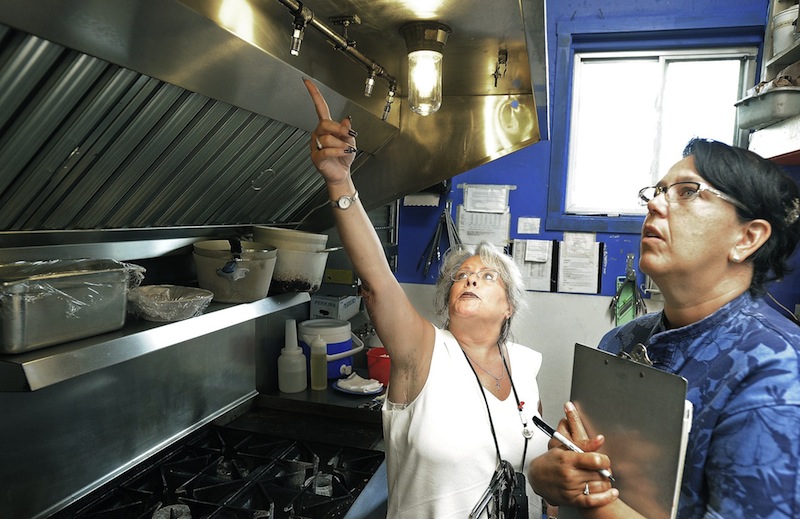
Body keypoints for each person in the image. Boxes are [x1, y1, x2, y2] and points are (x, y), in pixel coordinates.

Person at [303, 78, 549, 518]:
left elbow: (538, 469)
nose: (469, 281)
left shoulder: (526, 368)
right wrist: (341, 184)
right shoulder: (424, 350)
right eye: (461, 276)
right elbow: (378, 281)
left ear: (509, 306)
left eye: (487, 276)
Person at [529, 138, 800, 518]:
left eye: (688, 192)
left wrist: (590, 499)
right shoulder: (622, 340)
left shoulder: (777, 370)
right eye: (656, 192)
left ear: (747, 237)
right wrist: (547, 476)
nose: (654, 204)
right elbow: (576, 462)